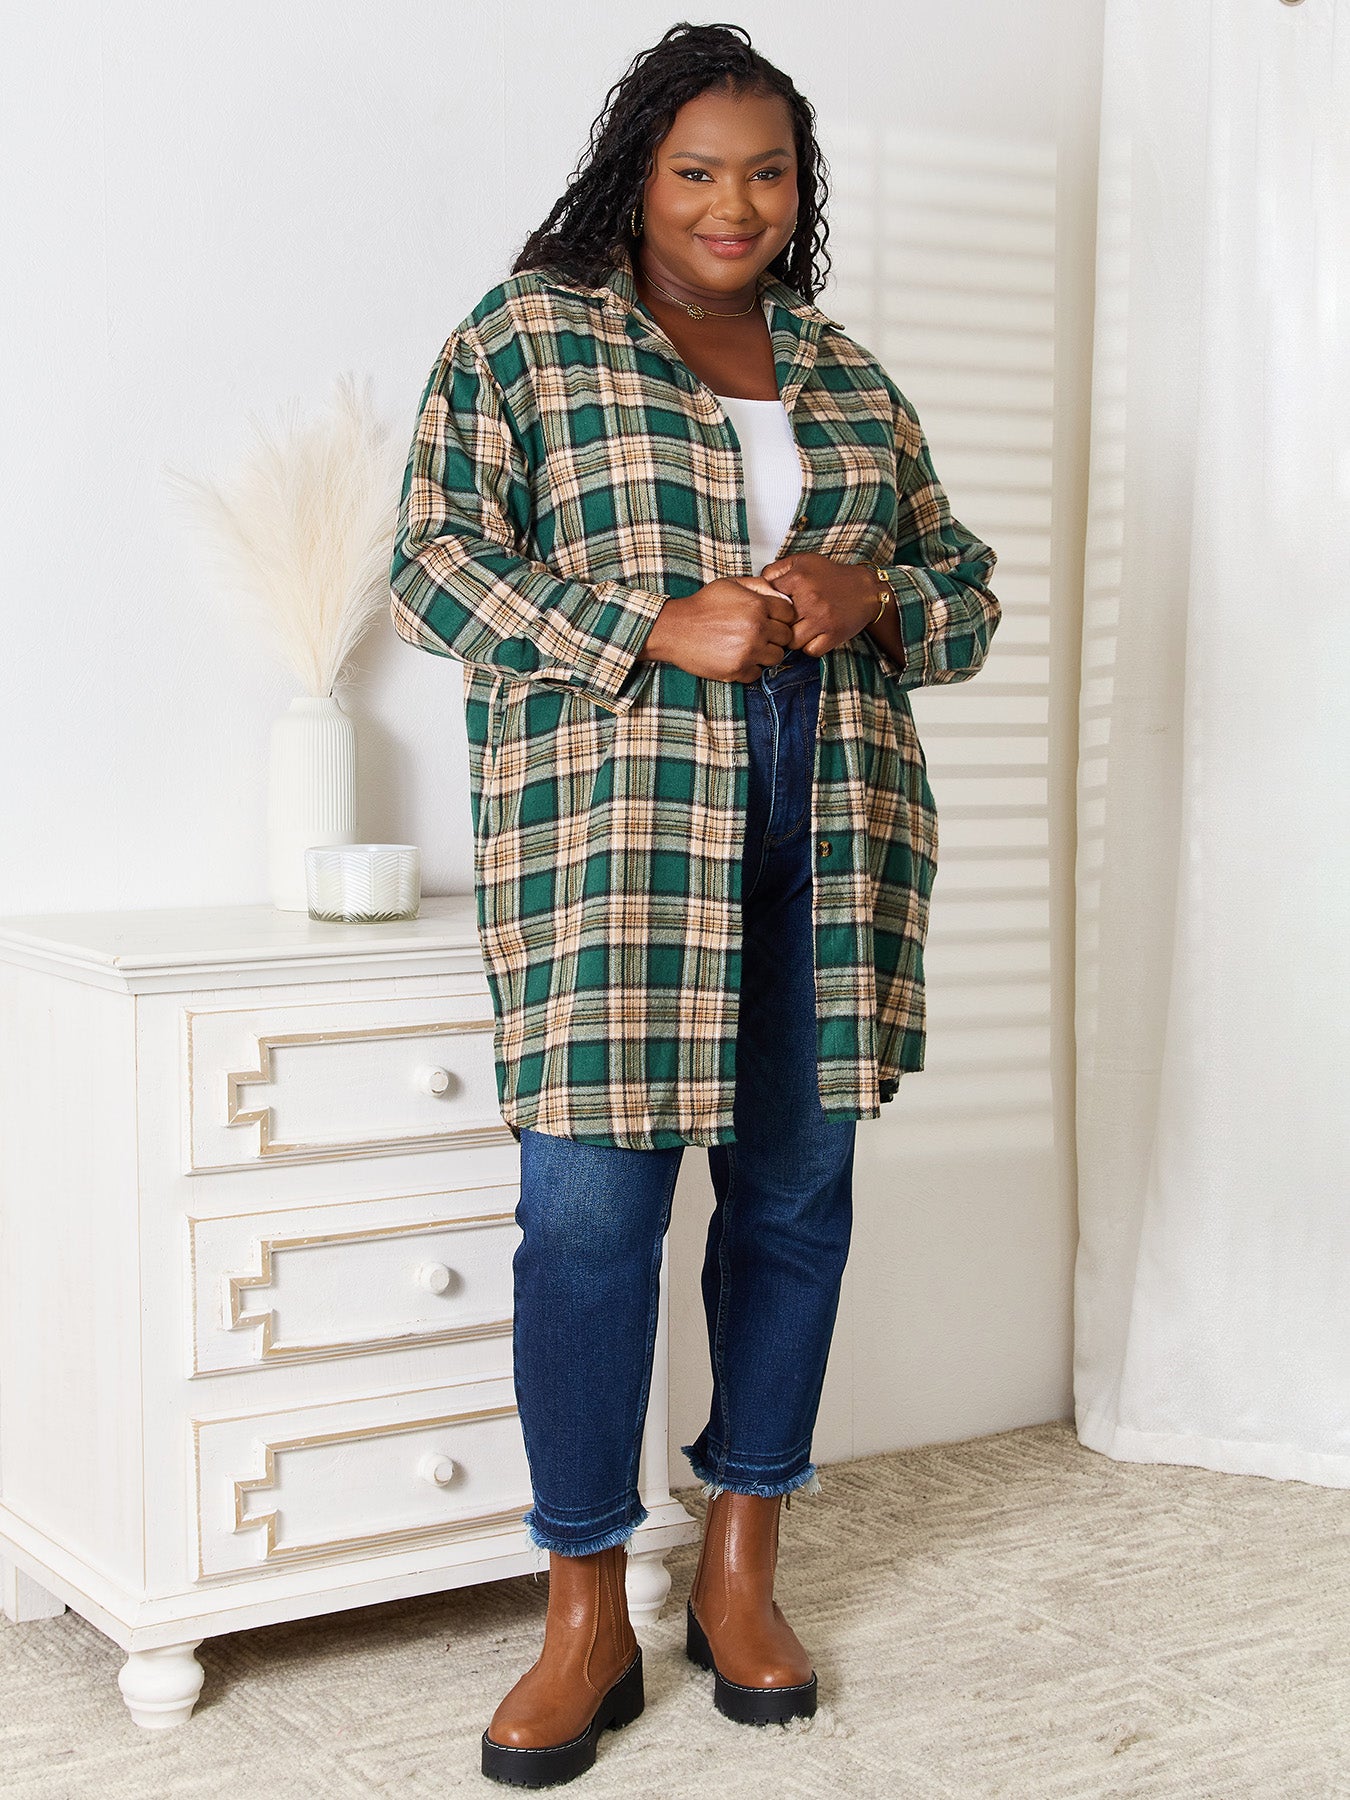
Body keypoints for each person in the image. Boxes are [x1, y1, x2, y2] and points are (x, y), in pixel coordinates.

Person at [389, 21, 1000, 1787]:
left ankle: (741, 1568)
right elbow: (434, 561)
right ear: (633, 177)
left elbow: (962, 596)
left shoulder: (846, 375)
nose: (734, 204)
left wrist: (863, 592)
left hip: (835, 821)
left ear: (799, 189)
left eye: (768, 170)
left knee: (793, 1209)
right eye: (696, 169)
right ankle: (585, 1608)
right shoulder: (529, 337)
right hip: (619, 845)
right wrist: (648, 625)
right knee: (586, 1230)